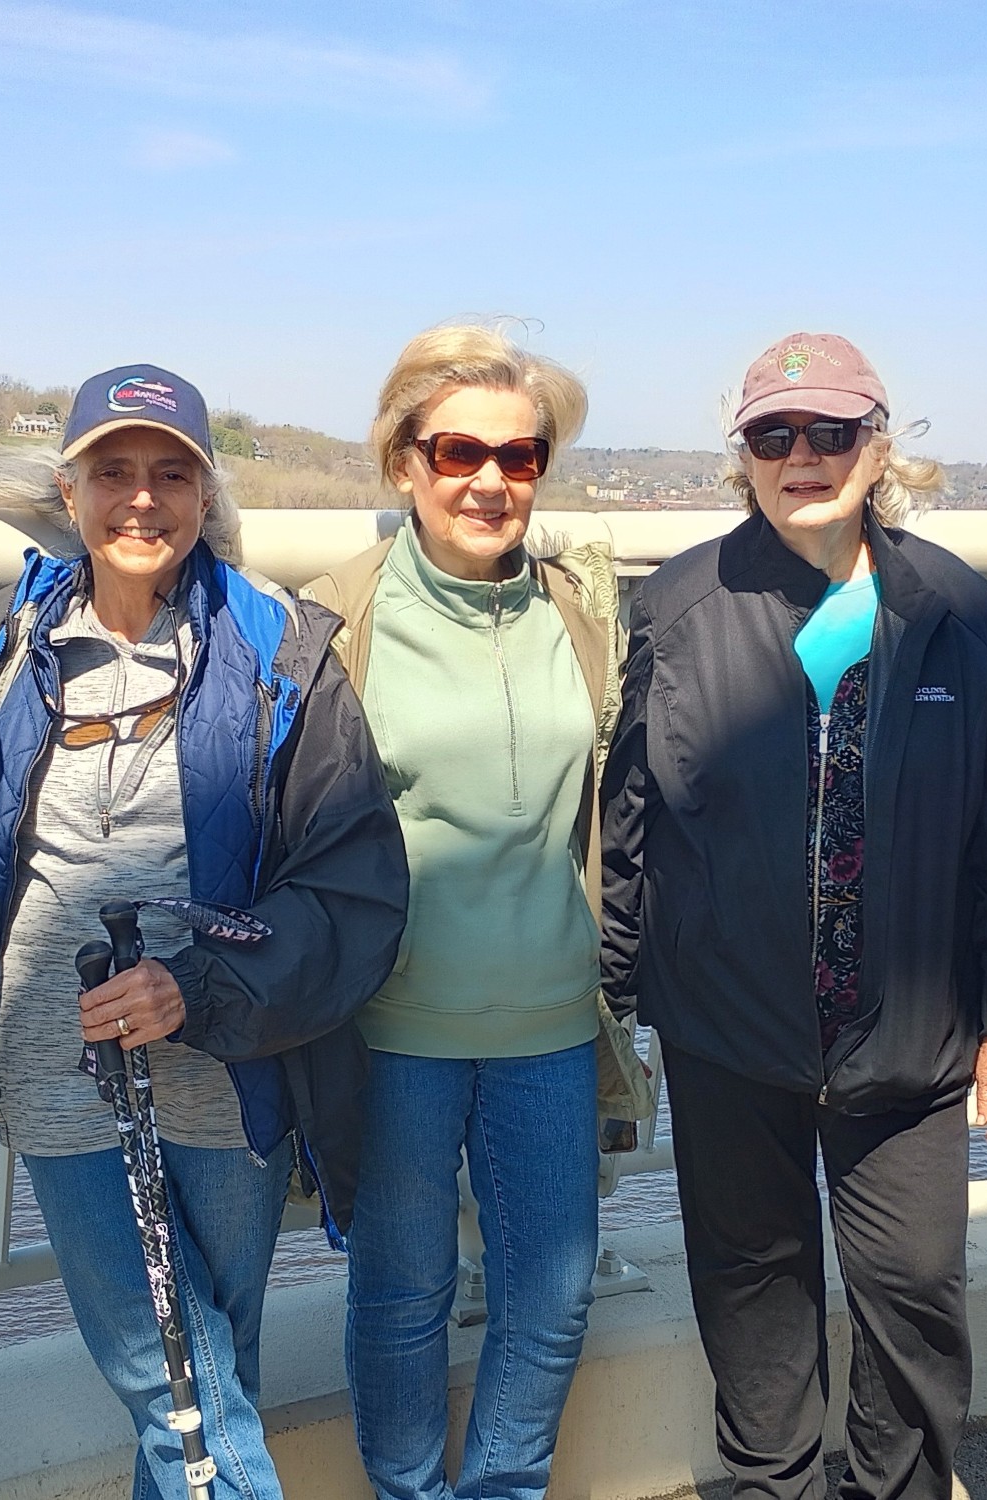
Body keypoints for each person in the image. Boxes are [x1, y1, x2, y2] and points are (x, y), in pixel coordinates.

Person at [600, 332, 987, 1500]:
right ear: (743, 456)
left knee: (913, 1304)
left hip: (909, 1037)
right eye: (773, 435)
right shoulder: (679, 605)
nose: (801, 456)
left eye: (830, 431)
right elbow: (629, 823)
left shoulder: (948, 605)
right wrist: (617, 1003)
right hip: (727, 1034)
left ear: (877, 446)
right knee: (752, 1317)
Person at [0, 363, 407, 1500]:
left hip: (231, 1068)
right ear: (70, 490)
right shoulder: (4, 645)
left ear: (205, 496)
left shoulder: (281, 651)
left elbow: (348, 880)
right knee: (174, 1384)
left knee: (212, 1369)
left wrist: (193, 988)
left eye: (171, 474)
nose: (141, 499)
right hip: (60, 1067)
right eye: (112, 472)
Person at [301, 326, 637, 1500]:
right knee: (401, 1298)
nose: (490, 481)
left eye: (519, 456)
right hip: (395, 1021)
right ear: (403, 461)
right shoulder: (337, 617)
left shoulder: (576, 608)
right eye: (457, 452)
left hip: (551, 1015)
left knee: (552, 1299)